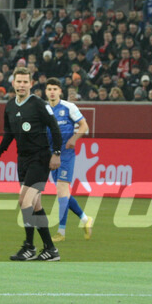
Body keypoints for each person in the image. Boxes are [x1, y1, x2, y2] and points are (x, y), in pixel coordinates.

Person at [0, 66, 63, 261]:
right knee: (35, 205)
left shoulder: (38, 104)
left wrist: (56, 153)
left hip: (40, 158)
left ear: (31, 84)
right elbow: (9, 133)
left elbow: (54, 128)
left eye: (25, 82)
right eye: (18, 81)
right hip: (22, 159)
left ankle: (29, 247)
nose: (21, 85)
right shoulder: (10, 106)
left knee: (24, 201)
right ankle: (50, 249)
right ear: (13, 83)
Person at [43, 78, 93, 243]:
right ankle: (85, 219)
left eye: (55, 89)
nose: (52, 92)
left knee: (61, 190)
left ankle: (61, 232)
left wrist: (74, 139)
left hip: (66, 154)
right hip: (52, 155)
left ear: (60, 91)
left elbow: (84, 125)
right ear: (46, 92)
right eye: (49, 89)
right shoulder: (43, 109)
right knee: (63, 193)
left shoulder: (69, 107)